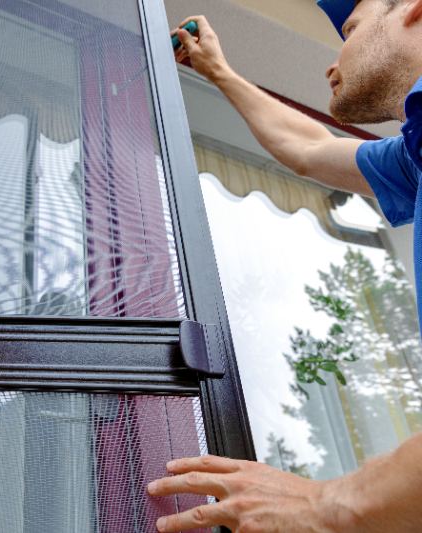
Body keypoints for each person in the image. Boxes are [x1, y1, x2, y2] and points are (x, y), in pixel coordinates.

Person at [147, 0, 422, 531]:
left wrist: (325, 506)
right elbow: (308, 146)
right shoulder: (415, 162)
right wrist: (219, 73)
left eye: (350, 27)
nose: (331, 62)